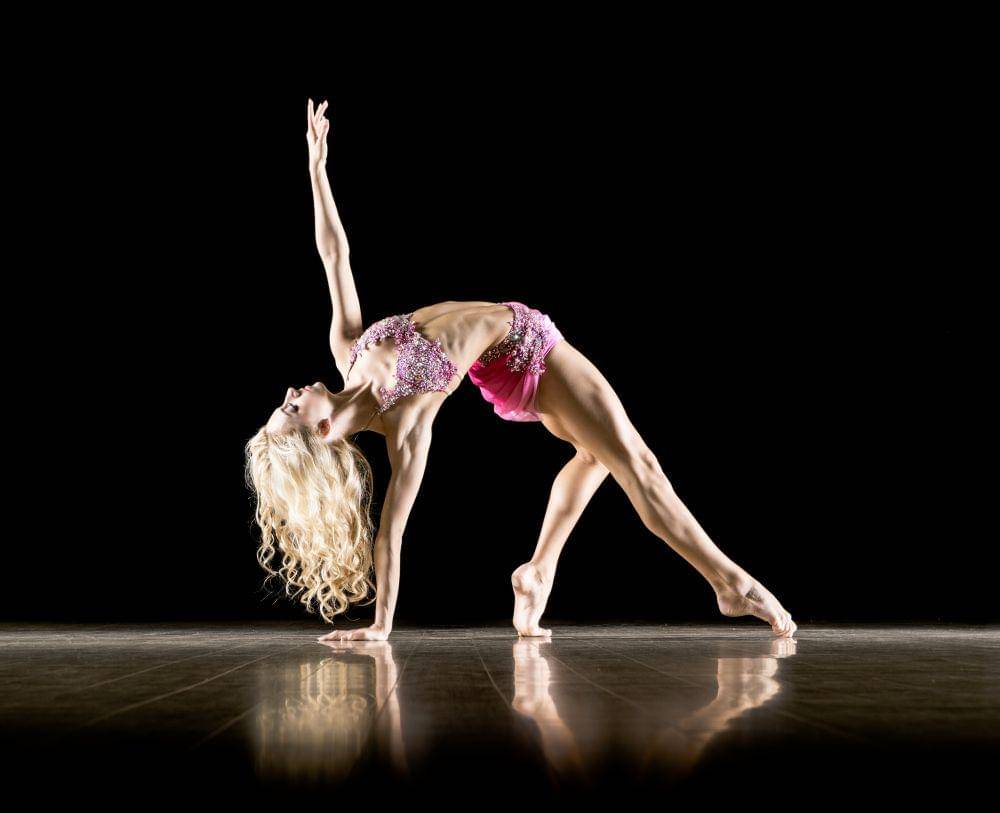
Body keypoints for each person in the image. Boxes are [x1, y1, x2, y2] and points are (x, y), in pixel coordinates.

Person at [244, 99, 796, 643]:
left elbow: (334, 257)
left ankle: (538, 571)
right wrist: (381, 626)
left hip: (508, 363)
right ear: (322, 430)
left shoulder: (349, 350)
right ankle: (729, 583)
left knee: (596, 455)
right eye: (291, 407)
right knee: (637, 463)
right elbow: (392, 532)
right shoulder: (404, 422)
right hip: (532, 353)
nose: (291, 390)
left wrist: (317, 170)